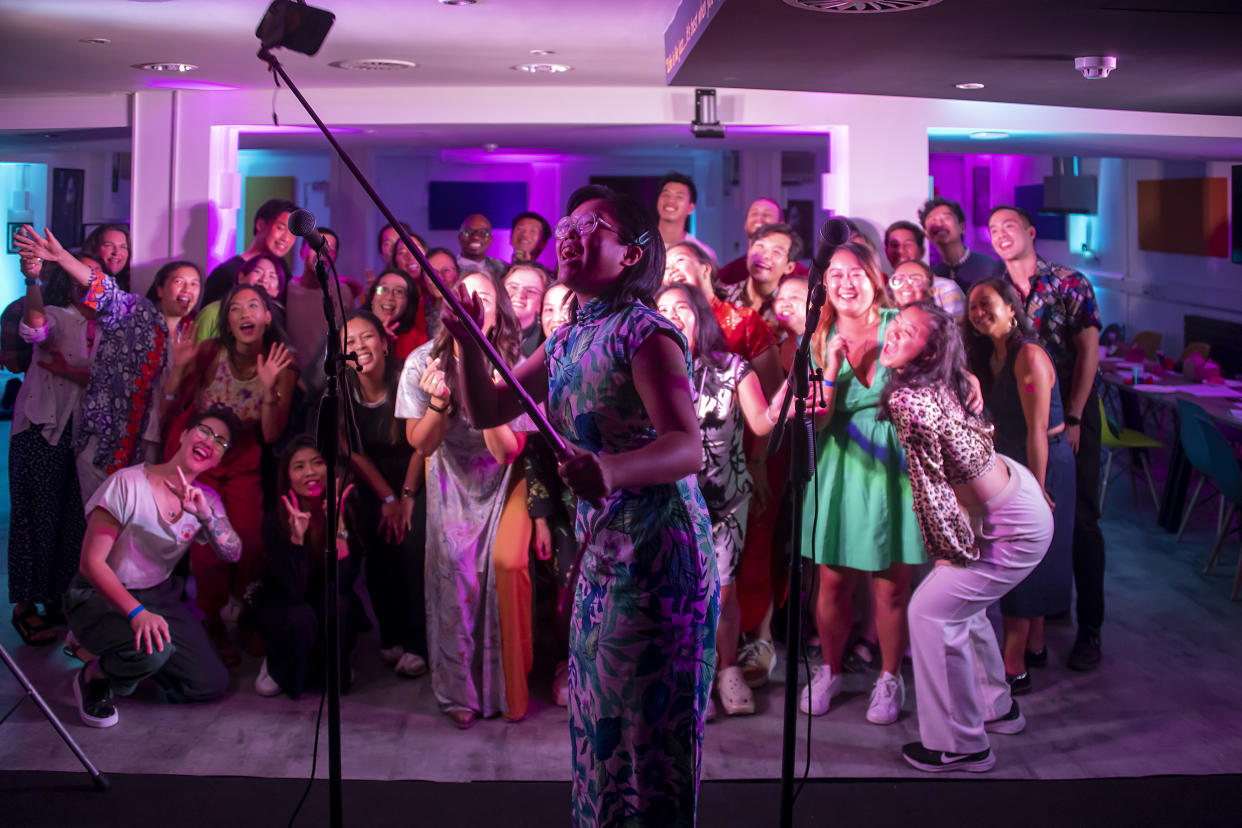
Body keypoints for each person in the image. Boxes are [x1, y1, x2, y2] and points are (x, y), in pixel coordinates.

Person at [444, 184, 718, 824]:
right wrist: (466, 341)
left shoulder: (645, 333)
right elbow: (489, 406)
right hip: (604, 550)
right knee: (600, 719)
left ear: (629, 255)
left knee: (647, 731)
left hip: (658, 554)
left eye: (592, 225)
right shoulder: (569, 338)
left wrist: (613, 469)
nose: (569, 232)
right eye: (568, 222)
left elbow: (688, 449)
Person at [877, 302, 1052, 772]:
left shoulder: (910, 399)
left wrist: (949, 551)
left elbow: (929, 484)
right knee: (958, 605)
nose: (893, 333)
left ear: (931, 350)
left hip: (1010, 524)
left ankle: (962, 743)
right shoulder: (945, 379)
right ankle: (998, 708)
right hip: (1012, 504)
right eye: (895, 324)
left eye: (908, 331)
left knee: (930, 611)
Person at [800, 240, 925, 727]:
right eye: (835, 274)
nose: (846, 283)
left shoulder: (904, 323)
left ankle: (888, 678)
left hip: (897, 459)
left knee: (891, 587)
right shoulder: (816, 336)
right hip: (841, 461)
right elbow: (819, 416)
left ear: (875, 276)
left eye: (855, 273)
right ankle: (830, 671)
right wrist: (830, 368)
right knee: (832, 583)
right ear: (824, 284)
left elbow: (941, 377)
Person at [397, 272, 526, 726]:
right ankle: (457, 696)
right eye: (461, 296)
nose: (471, 304)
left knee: (492, 587)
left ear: (498, 311)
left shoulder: (517, 364)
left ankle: (494, 694)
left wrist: (487, 389)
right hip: (449, 485)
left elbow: (507, 450)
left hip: (499, 489)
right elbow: (422, 445)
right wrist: (437, 404)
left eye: (483, 297)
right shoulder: (420, 363)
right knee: (453, 589)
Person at [65, 406, 244, 728]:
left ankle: (123, 655)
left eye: (221, 441)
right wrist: (136, 613)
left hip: (157, 595)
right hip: (100, 593)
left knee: (209, 684)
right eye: (204, 431)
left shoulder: (207, 500)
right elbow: (91, 564)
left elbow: (233, 553)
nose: (211, 441)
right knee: (153, 654)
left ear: (218, 460)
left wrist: (204, 515)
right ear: (184, 435)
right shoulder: (128, 483)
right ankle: (95, 674)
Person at [989, 205, 1105, 672]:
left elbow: (1088, 350)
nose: (1001, 235)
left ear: (1032, 232)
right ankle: (1038, 618)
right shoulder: (994, 287)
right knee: (1026, 518)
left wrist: (1075, 416)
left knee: (1080, 521)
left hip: (1067, 416)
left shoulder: (1069, 282)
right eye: (993, 229)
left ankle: (1090, 628)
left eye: (1009, 226)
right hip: (1015, 422)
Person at [656, 283, 780, 718]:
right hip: (669, 503)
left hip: (726, 500)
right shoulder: (647, 370)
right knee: (680, 594)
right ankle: (692, 678)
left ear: (700, 316)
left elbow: (762, 425)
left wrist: (785, 399)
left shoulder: (732, 367)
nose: (672, 314)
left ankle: (727, 669)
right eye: (662, 308)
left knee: (723, 594)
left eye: (681, 308)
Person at [15, 225, 201, 503]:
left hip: (153, 444)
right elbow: (104, 289)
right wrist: (62, 256)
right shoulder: (136, 313)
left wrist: (179, 368)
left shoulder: (195, 337)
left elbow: (169, 404)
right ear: (160, 288)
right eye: (179, 281)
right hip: (106, 442)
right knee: (102, 526)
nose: (187, 289)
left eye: (195, 283)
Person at [163, 283, 298, 665]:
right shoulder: (209, 352)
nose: (244, 314)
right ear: (226, 322)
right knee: (207, 545)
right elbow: (171, 401)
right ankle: (211, 620)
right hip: (203, 456)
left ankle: (247, 614)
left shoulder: (281, 364)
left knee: (251, 541)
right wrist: (178, 367)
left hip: (244, 455)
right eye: (234, 308)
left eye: (253, 306)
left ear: (268, 316)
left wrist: (270, 388)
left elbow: (271, 434)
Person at [966, 279, 1075, 693]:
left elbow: (1037, 431)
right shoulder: (986, 354)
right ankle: (1035, 645)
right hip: (1012, 460)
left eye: (987, 303)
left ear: (1012, 309)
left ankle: (1014, 665)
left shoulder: (1027, 354)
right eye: (973, 306)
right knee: (1029, 556)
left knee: (1023, 555)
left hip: (1043, 458)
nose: (978, 312)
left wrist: (1040, 490)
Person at [8, 252, 96, 646]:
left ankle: (57, 597)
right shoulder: (59, 314)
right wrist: (32, 281)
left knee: (71, 521)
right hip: (40, 426)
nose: (91, 280)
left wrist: (72, 372)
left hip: (82, 435)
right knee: (35, 518)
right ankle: (25, 606)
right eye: (83, 273)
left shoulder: (111, 324)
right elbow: (34, 329)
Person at [341, 310, 429, 680]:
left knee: (411, 550)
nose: (359, 347)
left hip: (416, 473)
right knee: (378, 553)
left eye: (366, 337)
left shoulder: (405, 374)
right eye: (349, 342)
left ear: (382, 340)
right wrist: (387, 499)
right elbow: (352, 451)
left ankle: (417, 643)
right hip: (372, 481)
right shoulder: (341, 386)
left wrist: (406, 495)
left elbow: (422, 444)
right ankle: (390, 635)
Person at [249, 436, 362, 699]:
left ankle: (333, 664)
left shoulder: (346, 509)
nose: (310, 472)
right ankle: (277, 662)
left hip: (325, 593)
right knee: (301, 615)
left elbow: (344, 582)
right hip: (285, 600)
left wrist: (339, 527)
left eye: (317, 463)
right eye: (299, 466)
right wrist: (297, 541)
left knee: (341, 604)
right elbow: (292, 591)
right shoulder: (275, 520)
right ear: (287, 476)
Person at [663, 241, 782, 395]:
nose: (672, 270)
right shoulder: (662, 325)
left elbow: (775, 394)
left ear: (705, 268)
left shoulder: (744, 321)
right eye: (665, 268)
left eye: (680, 260)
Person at [285, 226, 354, 378]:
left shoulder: (343, 292)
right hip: (293, 382)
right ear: (301, 252)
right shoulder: (286, 289)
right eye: (314, 245)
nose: (321, 252)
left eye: (329, 248)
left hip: (331, 381)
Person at [202, 198, 298, 306]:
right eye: (280, 228)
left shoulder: (282, 268)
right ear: (261, 225)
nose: (286, 238)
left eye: (293, 233)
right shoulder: (226, 272)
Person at [721, 222, 803, 338]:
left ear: (789, 267)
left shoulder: (791, 310)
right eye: (760, 246)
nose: (765, 256)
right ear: (749, 252)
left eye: (776, 252)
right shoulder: (722, 297)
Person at [194, 253, 288, 342]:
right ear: (241, 277)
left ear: (277, 290)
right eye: (257, 271)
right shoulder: (212, 313)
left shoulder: (281, 319)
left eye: (272, 276)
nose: (264, 280)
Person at [718, 198, 808, 286]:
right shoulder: (728, 274)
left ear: (781, 224)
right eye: (754, 214)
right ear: (745, 224)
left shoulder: (800, 275)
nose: (759, 218)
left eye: (767, 215)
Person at [883, 221, 965, 317]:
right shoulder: (884, 292)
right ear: (886, 251)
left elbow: (957, 329)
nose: (900, 250)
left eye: (908, 245)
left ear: (921, 250)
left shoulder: (946, 288)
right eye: (894, 245)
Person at [918, 198, 998, 292]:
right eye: (933, 220)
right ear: (926, 233)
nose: (939, 224)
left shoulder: (990, 267)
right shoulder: (932, 276)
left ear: (962, 226)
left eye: (946, 218)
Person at [656, 171, 717, 263]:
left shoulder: (703, 253)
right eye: (666, 194)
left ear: (691, 208)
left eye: (679, 197)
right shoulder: (641, 245)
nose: (671, 201)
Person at [367, 268, 425, 362]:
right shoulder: (351, 327)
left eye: (399, 291)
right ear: (372, 297)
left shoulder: (418, 341)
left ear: (408, 302)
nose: (389, 297)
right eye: (383, 289)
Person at [504, 262, 551, 356]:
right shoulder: (483, 329)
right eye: (513, 287)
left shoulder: (546, 345)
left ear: (541, 304)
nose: (520, 295)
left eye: (530, 291)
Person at [81, 224, 131, 292]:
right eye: (108, 245)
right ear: (95, 248)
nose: (116, 252)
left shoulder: (132, 282)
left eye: (123, 247)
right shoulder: (86, 268)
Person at [456, 214, 507, 280]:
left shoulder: (501, 268)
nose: (475, 237)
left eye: (483, 232)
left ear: (490, 240)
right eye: (468, 232)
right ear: (459, 238)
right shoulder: (450, 268)